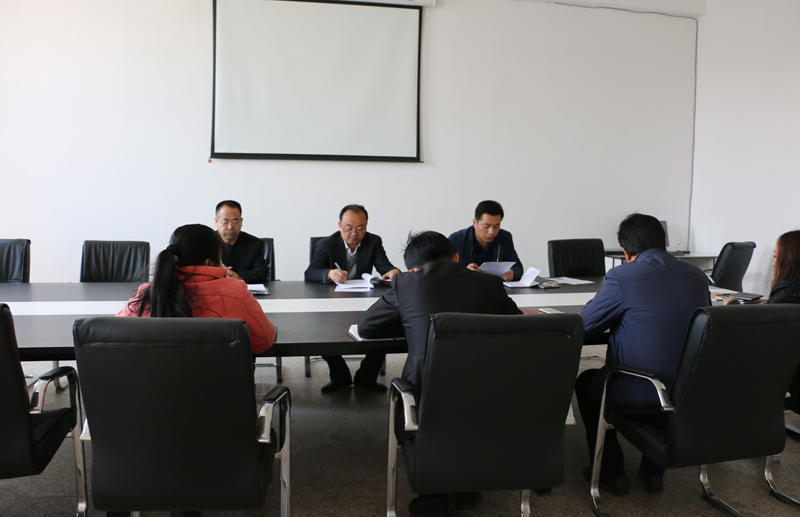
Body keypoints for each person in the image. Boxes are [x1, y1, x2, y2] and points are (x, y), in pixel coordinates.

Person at [358, 231, 522, 517]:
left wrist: (411, 322)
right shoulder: (490, 283)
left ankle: (433, 498)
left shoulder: (405, 283)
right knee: (468, 407)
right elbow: (518, 326)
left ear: (412, 268)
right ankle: (468, 490)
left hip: (426, 397)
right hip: (485, 394)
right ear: (456, 258)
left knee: (426, 402)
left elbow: (367, 328)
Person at [575, 213, 710, 497]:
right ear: (665, 241)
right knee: (668, 361)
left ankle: (612, 473)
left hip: (641, 393)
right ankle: (653, 472)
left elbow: (585, 324)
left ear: (625, 252)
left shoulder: (623, 276)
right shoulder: (698, 276)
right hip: (689, 390)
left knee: (587, 382)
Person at [117, 224, 276, 355]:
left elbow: (114, 336)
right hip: (219, 383)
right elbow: (264, 341)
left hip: (155, 383)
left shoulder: (150, 292)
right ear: (209, 263)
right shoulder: (235, 292)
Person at [304, 204, 401, 393]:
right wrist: (329, 273)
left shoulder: (373, 241)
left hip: (364, 299)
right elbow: (310, 272)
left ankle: (366, 378)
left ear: (366, 226)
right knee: (320, 333)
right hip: (332, 301)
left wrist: (393, 271)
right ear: (339, 226)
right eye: (349, 228)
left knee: (385, 326)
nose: (354, 233)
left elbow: (384, 266)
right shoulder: (326, 244)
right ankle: (339, 377)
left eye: (360, 228)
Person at [448, 200, 523, 281]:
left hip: (495, 286)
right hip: (467, 286)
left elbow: (518, 267)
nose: (491, 232)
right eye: (486, 226)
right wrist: (464, 272)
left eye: (496, 226)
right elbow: (446, 271)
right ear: (475, 222)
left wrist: (513, 273)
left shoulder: (505, 237)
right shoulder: (457, 239)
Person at [214, 200, 270, 284]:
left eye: (234, 222)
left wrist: (237, 276)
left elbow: (262, 273)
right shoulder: (205, 243)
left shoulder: (255, 244)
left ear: (241, 222)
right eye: (225, 222)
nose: (230, 227)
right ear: (216, 222)